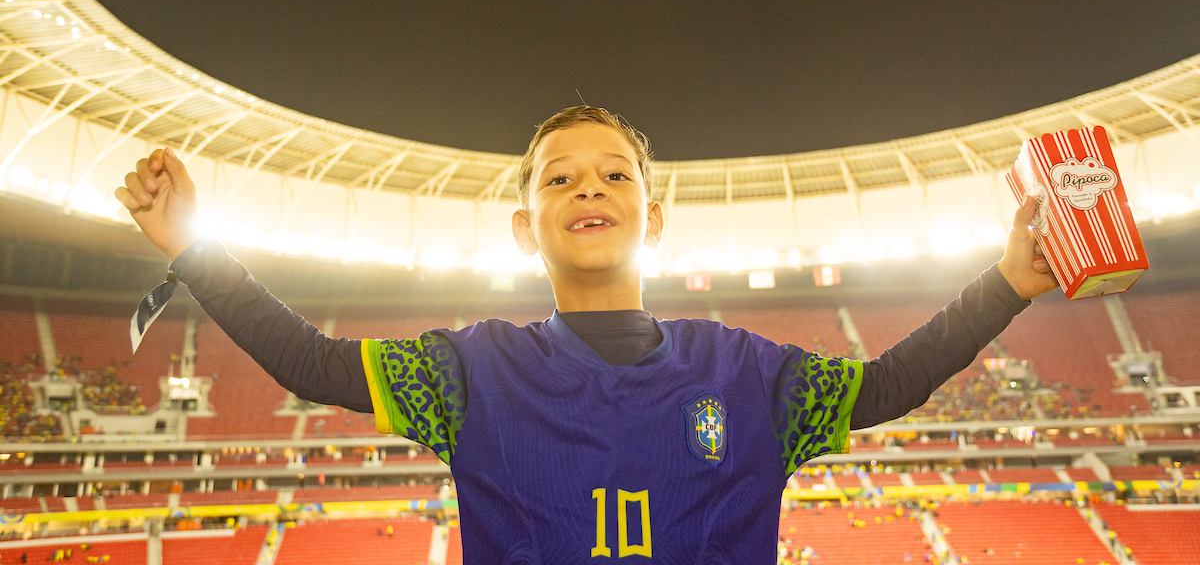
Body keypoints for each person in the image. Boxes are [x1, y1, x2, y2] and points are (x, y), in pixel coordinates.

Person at [116, 105, 1058, 562]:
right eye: (559, 178)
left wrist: (1009, 282)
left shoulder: (744, 373)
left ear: (654, 217)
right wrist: (194, 251)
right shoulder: (472, 372)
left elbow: (888, 385)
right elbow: (312, 363)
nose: (589, 189)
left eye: (615, 175)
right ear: (527, 227)